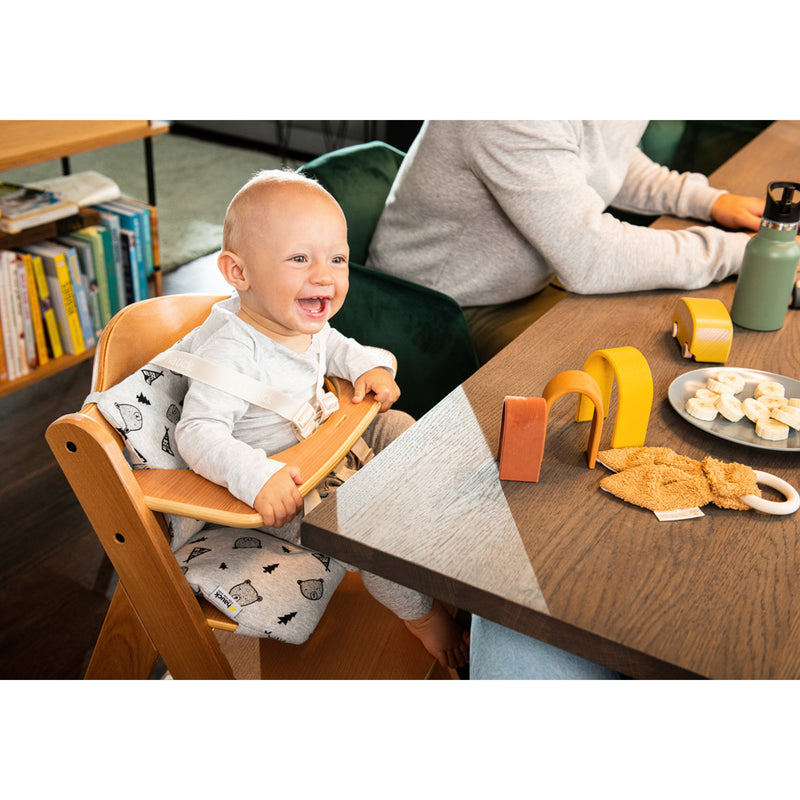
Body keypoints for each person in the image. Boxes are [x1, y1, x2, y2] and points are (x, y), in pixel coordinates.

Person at [174, 169, 469, 669]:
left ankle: (436, 532)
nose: (325, 276)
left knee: (404, 429)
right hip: (279, 486)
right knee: (372, 527)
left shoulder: (293, 318)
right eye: (299, 259)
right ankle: (418, 614)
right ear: (238, 273)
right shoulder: (231, 349)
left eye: (337, 259)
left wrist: (367, 366)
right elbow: (197, 432)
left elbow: (334, 346)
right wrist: (256, 477)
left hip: (322, 445)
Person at [367, 120, 764, 363]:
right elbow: (591, 259)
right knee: (633, 354)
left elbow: (600, 158)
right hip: (434, 306)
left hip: (531, 276)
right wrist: (739, 252)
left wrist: (705, 200)